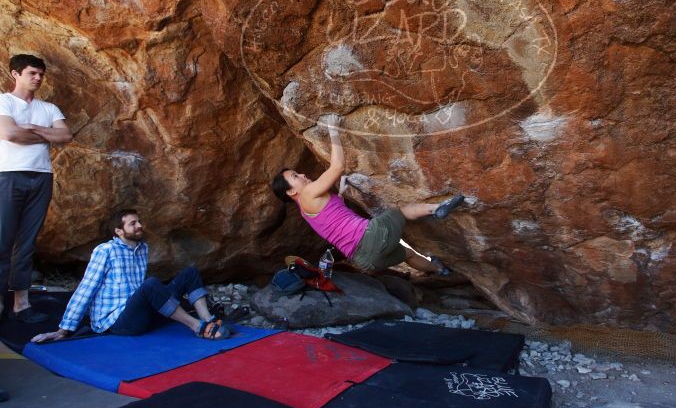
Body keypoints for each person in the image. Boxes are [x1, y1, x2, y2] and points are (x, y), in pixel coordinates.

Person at [271, 117, 465, 275]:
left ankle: (439, 269)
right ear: (291, 191)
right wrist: (333, 130)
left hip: (365, 261)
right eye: (295, 177)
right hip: (370, 238)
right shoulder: (308, 194)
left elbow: (334, 215)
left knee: (407, 254)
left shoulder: (306, 210)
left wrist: (341, 191)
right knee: (402, 211)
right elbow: (337, 166)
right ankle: (437, 209)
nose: (303, 175)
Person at [31, 209, 230, 343]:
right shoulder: (105, 250)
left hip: (137, 313)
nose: (139, 226)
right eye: (133, 223)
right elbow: (86, 289)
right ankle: (197, 326)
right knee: (151, 284)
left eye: (139, 222)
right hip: (118, 322)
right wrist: (64, 329)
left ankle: (208, 318)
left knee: (189, 273)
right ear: (119, 231)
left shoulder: (141, 248)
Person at [0, 54, 72, 324]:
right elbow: (9, 134)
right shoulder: (4, 101)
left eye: (41, 74)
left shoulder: (49, 108)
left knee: (27, 243)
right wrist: (44, 134)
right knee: (2, 241)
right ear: (15, 74)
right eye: (32, 73)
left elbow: (66, 136)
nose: (38, 78)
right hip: (7, 175)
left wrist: (30, 127)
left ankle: (21, 304)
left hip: (41, 177)